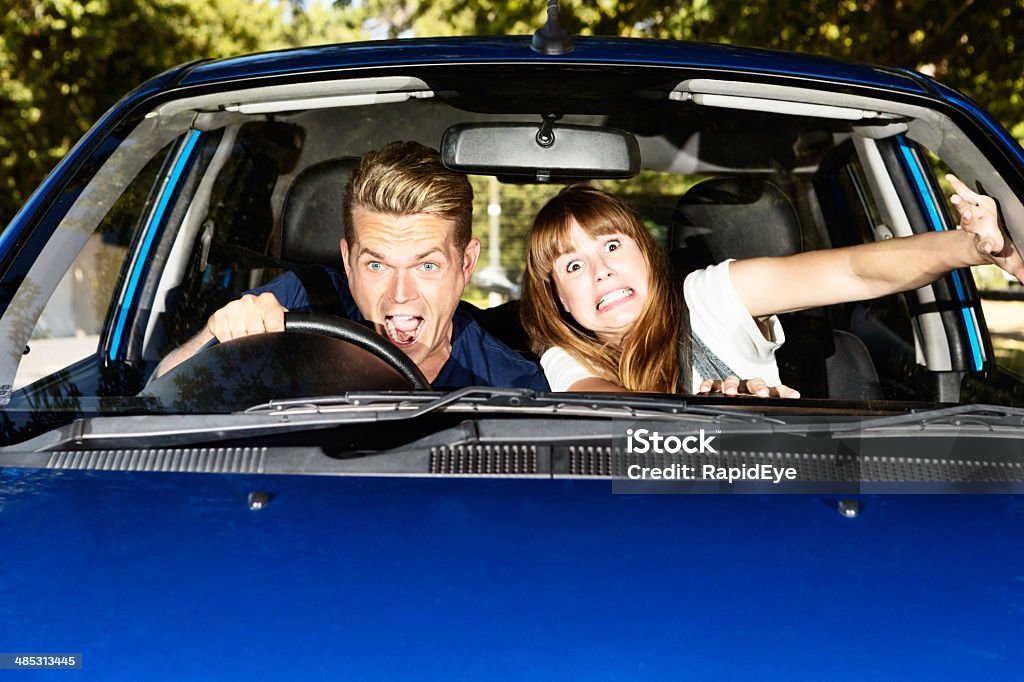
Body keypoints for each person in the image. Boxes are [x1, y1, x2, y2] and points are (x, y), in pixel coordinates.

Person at [521, 176, 1024, 395]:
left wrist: (973, 249)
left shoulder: (707, 297)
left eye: (611, 246)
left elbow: (855, 270)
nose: (600, 271)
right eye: (571, 266)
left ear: (646, 255)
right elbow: (603, 406)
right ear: (558, 301)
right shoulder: (567, 354)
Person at [155, 141, 549, 391]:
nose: (400, 294)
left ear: (466, 264)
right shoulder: (303, 298)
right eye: (377, 265)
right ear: (347, 260)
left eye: (427, 266)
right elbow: (162, 388)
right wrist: (219, 332)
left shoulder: (513, 382)